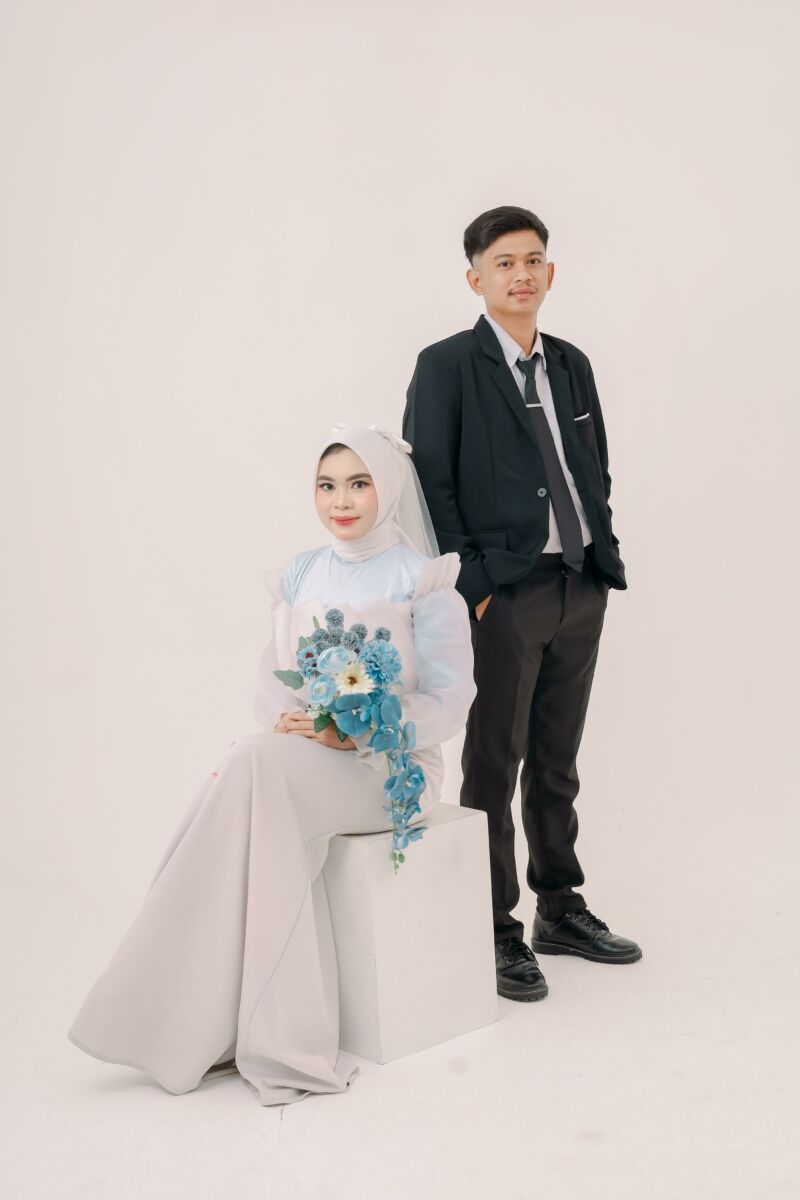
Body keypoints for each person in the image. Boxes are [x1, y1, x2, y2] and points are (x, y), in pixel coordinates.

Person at [67, 423, 477, 1105]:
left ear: (388, 489)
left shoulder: (425, 581)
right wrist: (297, 718)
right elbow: (272, 686)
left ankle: (201, 1016)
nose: (340, 501)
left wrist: (359, 728)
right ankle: (217, 1019)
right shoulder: (300, 575)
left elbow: (449, 703)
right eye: (326, 485)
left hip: (392, 771)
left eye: (358, 484)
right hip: (302, 760)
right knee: (254, 759)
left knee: (251, 764)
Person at [402, 205, 642, 1004]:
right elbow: (430, 487)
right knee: (492, 762)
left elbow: (592, 466)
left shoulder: (570, 364)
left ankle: (559, 907)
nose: (521, 274)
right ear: (476, 279)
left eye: (533, 260)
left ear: (551, 272)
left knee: (556, 759)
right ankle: (493, 925)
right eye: (504, 263)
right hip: (504, 594)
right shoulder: (447, 367)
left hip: (580, 583)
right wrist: (473, 587)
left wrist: (599, 554)